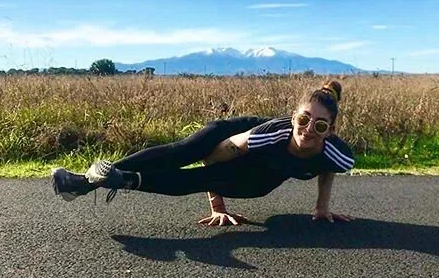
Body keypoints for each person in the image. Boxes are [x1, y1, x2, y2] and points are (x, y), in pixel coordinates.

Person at [51, 80, 354, 226]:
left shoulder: (338, 153)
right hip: (233, 139)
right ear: (293, 119)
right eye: (303, 120)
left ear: (331, 130)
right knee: (185, 153)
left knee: (250, 185)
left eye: (320, 125)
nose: (308, 129)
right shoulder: (274, 134)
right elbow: (216, 154)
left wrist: (321, 207)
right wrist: (217, 205)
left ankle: (124, 179)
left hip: (255, 164)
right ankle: (85, 182)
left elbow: (327, 166)